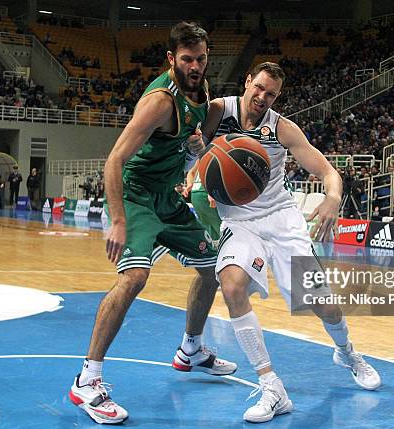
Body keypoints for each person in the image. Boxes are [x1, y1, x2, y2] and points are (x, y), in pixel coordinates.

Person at [68, 22, 236, 425]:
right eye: (187, 59)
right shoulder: (160, 101)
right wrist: (119, 221)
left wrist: (196, 144)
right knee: (134, 278)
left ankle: (190, 349)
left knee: (212, 267)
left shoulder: (203, 89)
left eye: (200, 58)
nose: (195, 66)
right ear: (171, 59)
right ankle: (86, 380)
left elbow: (189, 136)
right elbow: (113, 161)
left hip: (167, 197)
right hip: (136, 196)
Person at [196, 62, 381, 423]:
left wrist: (332, 197)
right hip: (240, 220)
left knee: (322, 304)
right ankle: (271, 386)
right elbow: (192, 145)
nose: (263, 97)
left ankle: (347, 352)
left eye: (272, 94)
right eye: (259, 88)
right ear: (247, 82)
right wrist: (195, 170)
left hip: (281, 220)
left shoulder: (282, 127)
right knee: (231, 286)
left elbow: (327, 171)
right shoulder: (218, 111)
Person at [183, 160, 222, 244]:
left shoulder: (200, 157)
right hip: (205, 193)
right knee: (222, 227)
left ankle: (215, 251)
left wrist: (190, 184)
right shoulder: (212, 153)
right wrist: (211, 190)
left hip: (196, 195)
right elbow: (214, 172)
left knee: (210, 231)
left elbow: (191, 172)